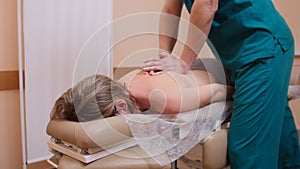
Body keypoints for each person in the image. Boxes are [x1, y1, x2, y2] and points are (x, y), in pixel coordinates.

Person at [141, 0, 300, 168]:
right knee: (280, 138)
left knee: (247, 150)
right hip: (238, 55)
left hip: (261, 46)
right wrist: (164, 57)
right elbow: (170, 9)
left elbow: (206, 5)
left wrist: (183, 64)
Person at [50, 66, 233, 122]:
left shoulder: (164, 99)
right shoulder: (120, 86)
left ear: (121, 106)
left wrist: (249, 90)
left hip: (222, 74)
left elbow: (217, 91)